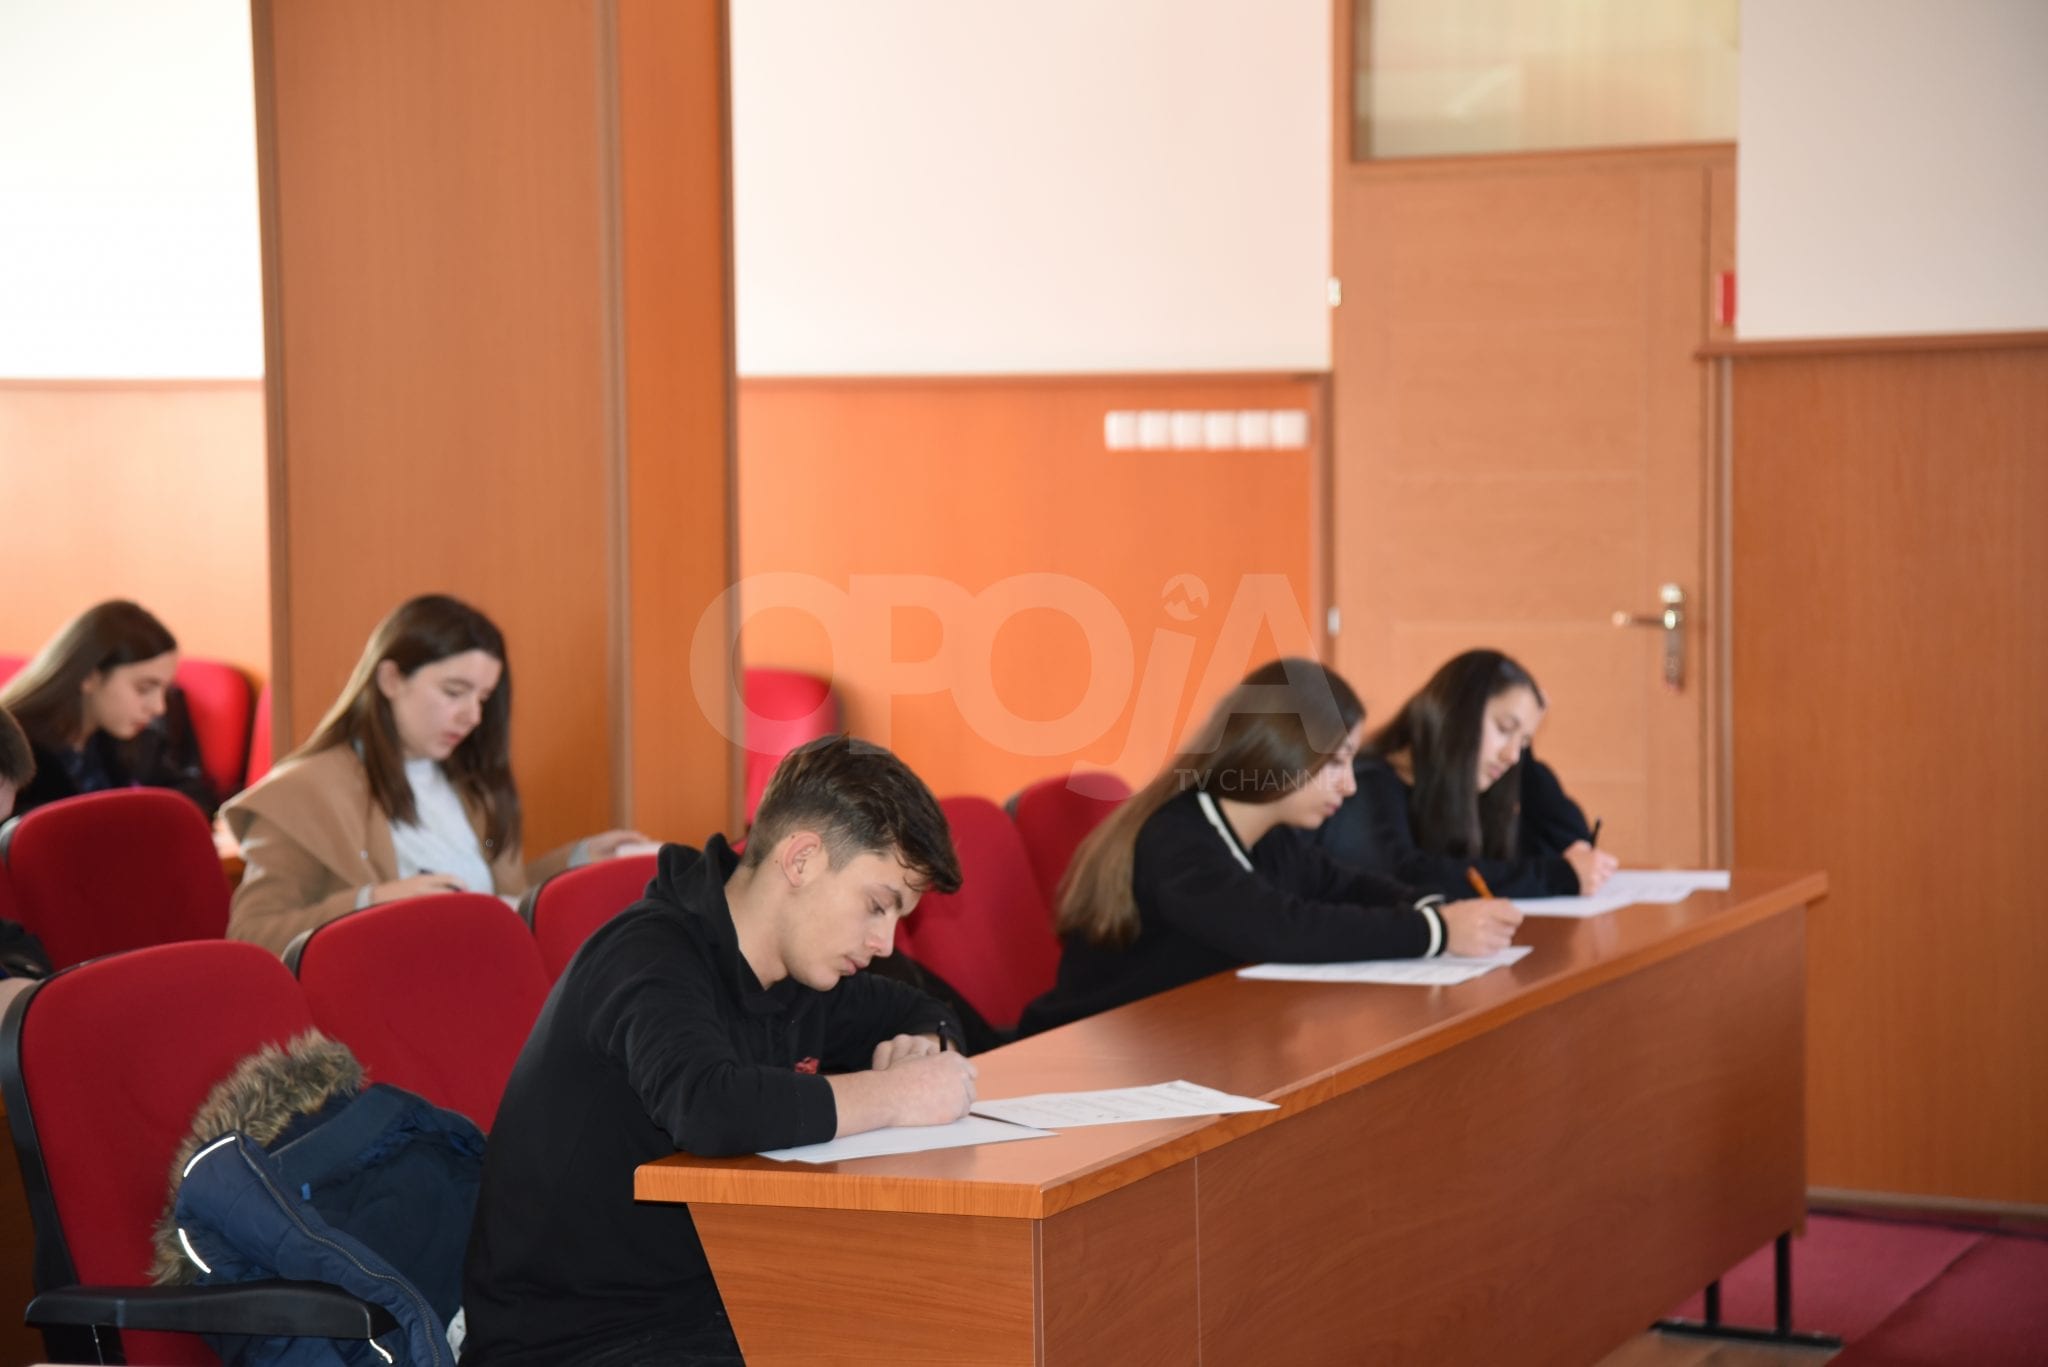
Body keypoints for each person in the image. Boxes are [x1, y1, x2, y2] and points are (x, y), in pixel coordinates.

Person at [461, 734, 976, 1367]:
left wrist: (926, 1048)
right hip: (575, 1341)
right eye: (877, 906)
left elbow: (920, 1008)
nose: (885, 943)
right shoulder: (647, 956)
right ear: (802, 859)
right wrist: (893, 1096)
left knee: (954, 1322)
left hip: (721, 1310)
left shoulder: (802, 973)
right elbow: (709, 1107)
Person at [1016, 658, 1521, 1036]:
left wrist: (1431, 906)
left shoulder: (1271, 839)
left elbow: (1346, 886)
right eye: (1336, 762)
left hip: (1176, 1042)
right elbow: (1282, 929)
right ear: (1280, 750)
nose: (1349, 785)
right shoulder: (1175, 838)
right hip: (1080, 1057)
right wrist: (1436, 931)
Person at [222, 594, 644, 954]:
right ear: (390, 679)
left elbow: (491, 894)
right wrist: (372, 902)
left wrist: (577, 861)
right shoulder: (304, 793)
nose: (473, 716)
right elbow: (252, 935)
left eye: (482, 698)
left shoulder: (470, 785)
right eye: (454, 692)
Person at [1314, 649, 1618, 900]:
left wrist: (1524, 749)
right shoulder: (1367, 783)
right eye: (1504, 728)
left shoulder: (1463, 790)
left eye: (1523, 743)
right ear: (1459, 712)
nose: (1512, 756)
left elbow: (1568, 843)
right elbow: (1403, 875)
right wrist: (1558, 876)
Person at [0, 600, 215, 817]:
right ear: (89, 677)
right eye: (144, 688)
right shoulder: (11, 753)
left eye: (165, 691)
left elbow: (191, 794)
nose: (159, 708)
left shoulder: (124, 738)